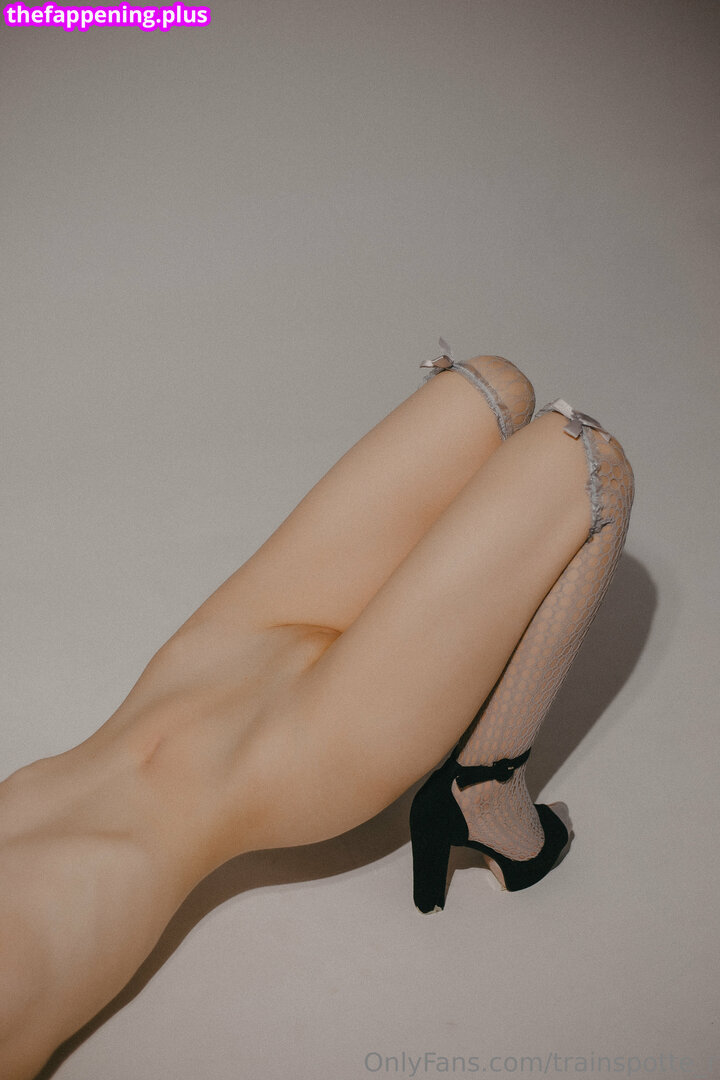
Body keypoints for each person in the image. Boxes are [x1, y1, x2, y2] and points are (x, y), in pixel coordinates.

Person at [0, 342, 634, 1078]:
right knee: (590, 463)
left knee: (492, 387)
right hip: (289, 755)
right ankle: (485, 793)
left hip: (208, 660)